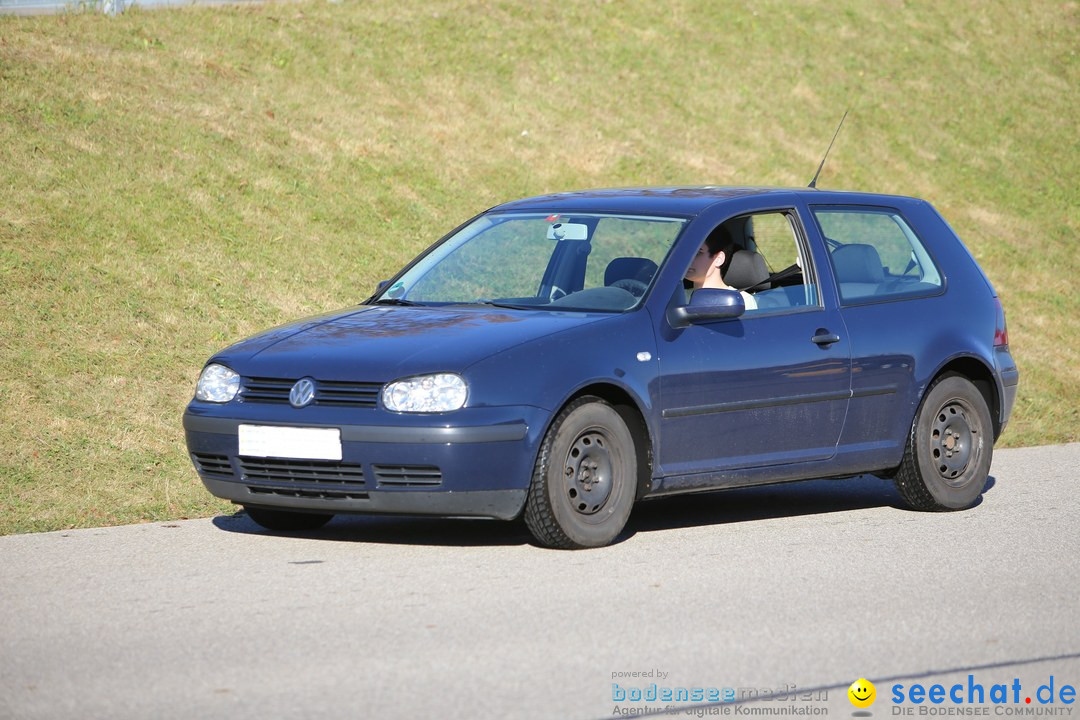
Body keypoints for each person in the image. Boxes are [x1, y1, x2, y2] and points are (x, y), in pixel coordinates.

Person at [684, 225, 758, 310]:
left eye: (698, 253)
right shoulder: (676, 298)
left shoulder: (742, 300)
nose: (687, 258)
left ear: (719, 259)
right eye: (686, 252)